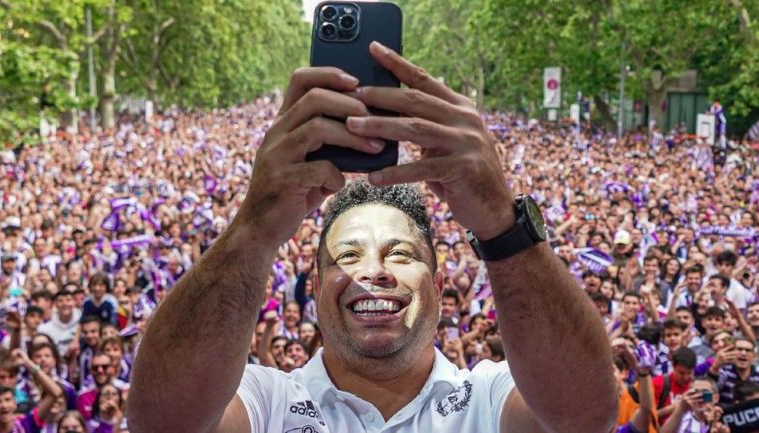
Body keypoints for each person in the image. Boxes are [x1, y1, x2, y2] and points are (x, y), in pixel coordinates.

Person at [128, 44, 616, 433]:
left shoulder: (490, 398)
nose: (373, 270)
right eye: (347, 255)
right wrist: (252, 229)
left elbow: (583, 418)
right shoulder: (266, 402)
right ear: (316, 290)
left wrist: (501, 227)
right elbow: (163, 423)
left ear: (440, 288)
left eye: (400, 253)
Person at [660, 377, 729, 433]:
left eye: (705, 392)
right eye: (695, 393)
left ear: (716, 398)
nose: (700, 396)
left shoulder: (724, 420)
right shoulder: (681, 419)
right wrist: (681, 409)